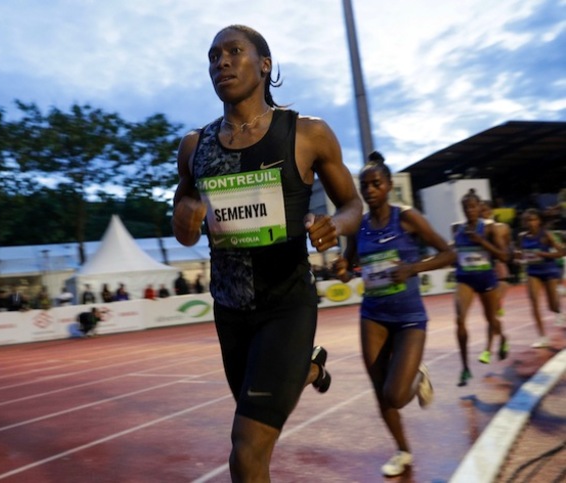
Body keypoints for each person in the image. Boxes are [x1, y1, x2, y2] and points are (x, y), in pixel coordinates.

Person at [171, 25, 362, 481]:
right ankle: (311, 368)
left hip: (287, 304)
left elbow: (353, 204)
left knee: (246, 450)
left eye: (234, 51)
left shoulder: (307, 133)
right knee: (253, 429)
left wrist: (334, 225)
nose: (221, 62)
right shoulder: (195, 146)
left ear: (264, 64)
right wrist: (182, 218)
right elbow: (181, 224)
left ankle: (303, 360)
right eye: (213, 55)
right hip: (231, 311)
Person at [332, 152, 456, 477]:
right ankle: (402, 450)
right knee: (380, 393)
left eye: (376, 184)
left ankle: (417, 375)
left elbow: (449, 253)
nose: (370, 190)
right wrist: (343, 269)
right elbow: (351, 269)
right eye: (365, 186)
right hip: (373, 315)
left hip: (409, 317)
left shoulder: (407, 217)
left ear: (388, 186)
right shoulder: (358, 227)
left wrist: (413, 268)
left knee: (396, 395)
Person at [452, 190, 510, 387]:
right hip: (464, 280)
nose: (470, 210)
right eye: (466, 207)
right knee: (459, 320)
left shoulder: (490, 229)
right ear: (463, 209)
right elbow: (454, 252)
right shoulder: (457, 229)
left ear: (479, 207)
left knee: (491, 319)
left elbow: (503, 256)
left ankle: (502, 338)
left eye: (473, 206)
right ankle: (465, 368)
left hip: (486, 279)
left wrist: (481, 241)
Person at [515, 208, 565, 345]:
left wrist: (544, 255)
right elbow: (520, 253)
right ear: (524, 223)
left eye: (533, 220)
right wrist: (518, 257)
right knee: (534, 302)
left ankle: (559, 310)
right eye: (527, 220)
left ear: (539, 221)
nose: (530, 223)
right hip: (533, 272)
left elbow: (562, 252)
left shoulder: (546, 235)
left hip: (549, 271)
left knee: (552, 306)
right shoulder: (522, 237)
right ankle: (542, 337)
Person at [481, 200, 513, 316]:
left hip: (498, 262)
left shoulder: (503, 227)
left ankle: (497, 305)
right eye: (481, 211)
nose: (482, 213)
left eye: (485, 210)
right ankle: (495, 307)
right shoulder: (476, 229)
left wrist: (509, 253)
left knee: (503, 284)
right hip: (483, 263)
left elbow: (508, 244)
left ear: (490, 211)